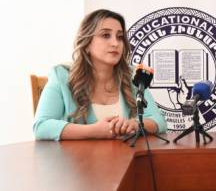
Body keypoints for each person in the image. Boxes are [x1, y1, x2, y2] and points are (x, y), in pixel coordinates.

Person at [33, 9, 167, 140]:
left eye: (120, 37)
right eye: (105, 35)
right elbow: (41, 126)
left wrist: (135, 124)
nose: (115, 43)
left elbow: (159, 121)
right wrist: (93, 131)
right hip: (77, 155)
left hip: (124, 154)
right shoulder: (61, 75)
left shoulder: (132, 76)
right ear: (87, 44)